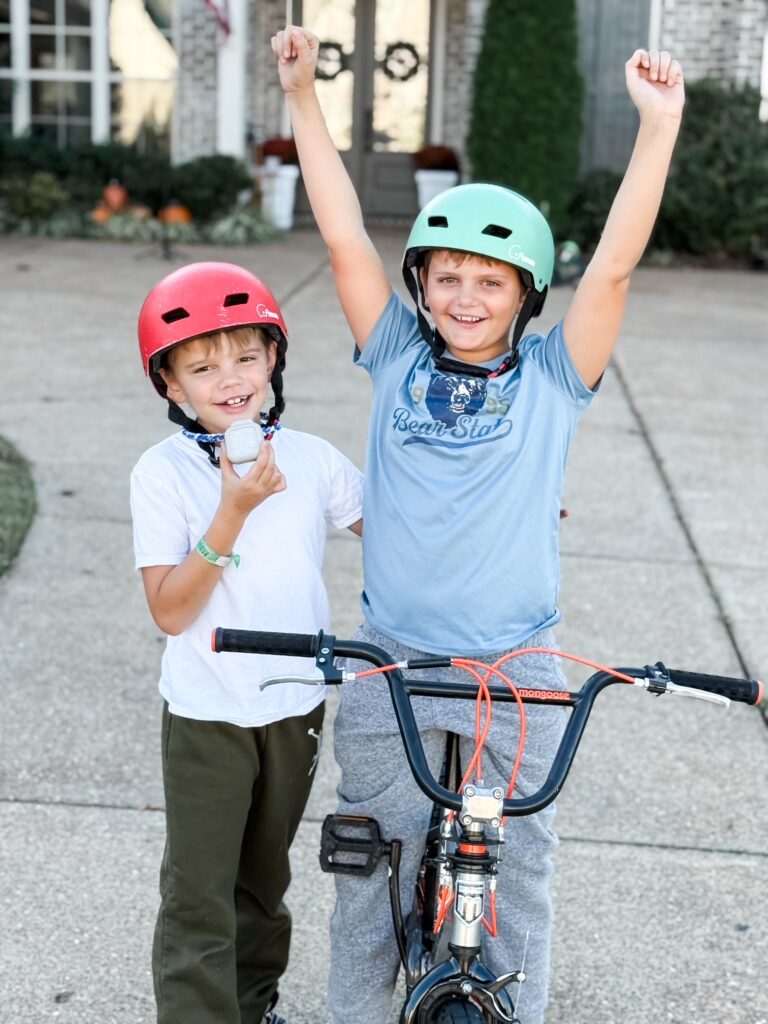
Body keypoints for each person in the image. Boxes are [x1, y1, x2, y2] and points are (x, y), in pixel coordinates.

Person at [273, 25, 684, 1024]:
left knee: (518, 867)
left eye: (490, 280)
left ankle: (514, 1011)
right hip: (392, 654)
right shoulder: (393, 353)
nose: (465, 296)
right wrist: (302, 97)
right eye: (447, 276)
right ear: (421, 284)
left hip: (517, 660)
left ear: (525, 294)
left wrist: (658, 127)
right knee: (371, 857)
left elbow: (614, 269)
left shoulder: (554, 377)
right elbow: (342, 236)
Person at [130, 261, 364, 1024]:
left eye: (246, 356)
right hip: (208, 712)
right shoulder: (162, 474)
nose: (229, 378)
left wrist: (510, 510)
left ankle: (253, 1005)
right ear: (171, 386)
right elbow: (170, 611)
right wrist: (232, 510)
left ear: (274, 360)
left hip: (294, 706)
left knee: (264, 881)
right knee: (200, 890)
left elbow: (402, 530)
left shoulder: (312, 458)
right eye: (201, 367)